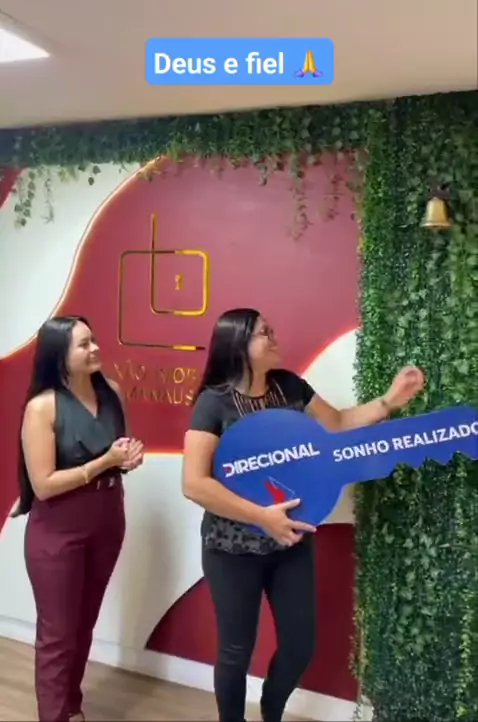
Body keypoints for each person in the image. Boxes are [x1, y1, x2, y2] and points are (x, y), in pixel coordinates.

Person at [182, 308, 425, 722]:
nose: (274, 337)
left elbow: (339, 422)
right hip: (231, 549)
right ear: (239, 344)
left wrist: (389, 400)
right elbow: (195, 484)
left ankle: (271, 709)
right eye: (264, 333)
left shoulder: (290, 386)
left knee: (300, 645)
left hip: (291, 541)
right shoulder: (213, 403)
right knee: (235, 651)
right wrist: (263, 517)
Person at [12, 315, 144, 722]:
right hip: (58, 527)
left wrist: (128, 458)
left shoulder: (113, 392)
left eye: (94, 340)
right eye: (84, 344)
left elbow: (120, 451)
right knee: (58, 634)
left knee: (84, 624)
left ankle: (71, 707)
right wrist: (104, 461)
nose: (95, 349)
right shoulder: (43, 407)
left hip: (107, 518)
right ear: (59, 355)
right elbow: (44, 484)